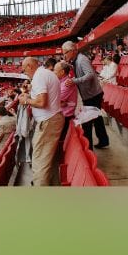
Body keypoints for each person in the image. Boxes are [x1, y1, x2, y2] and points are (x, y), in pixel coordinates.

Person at [18, 56, 63, 186]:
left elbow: (42, 102)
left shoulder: (39, 76)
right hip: (52, 119)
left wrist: (26, 100)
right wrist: (30, 94)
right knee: (47, 158)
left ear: (30, 66)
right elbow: (41, 97)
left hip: (48, 121)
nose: (24, 72)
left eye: (24, 70)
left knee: (39, 160)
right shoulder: (46, 73)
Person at [61, 41, 109, 149]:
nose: (64, 55)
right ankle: (103, 140)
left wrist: (75, 81)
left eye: (65, 53)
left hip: (93, 95)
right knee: (97, 119)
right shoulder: (75, 60)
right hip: (91, 94)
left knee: (87, 122)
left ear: (73, 51)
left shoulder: (82, 59)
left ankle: (88, 149)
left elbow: (90, 75)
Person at [54, 60, 78, 135]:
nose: (53, 73)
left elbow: (56, 99)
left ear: (62, 72)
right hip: (62, 115)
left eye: (55, 70)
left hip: (65, 117)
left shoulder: (67, 83)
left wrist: (60, 102)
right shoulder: (61, 81)